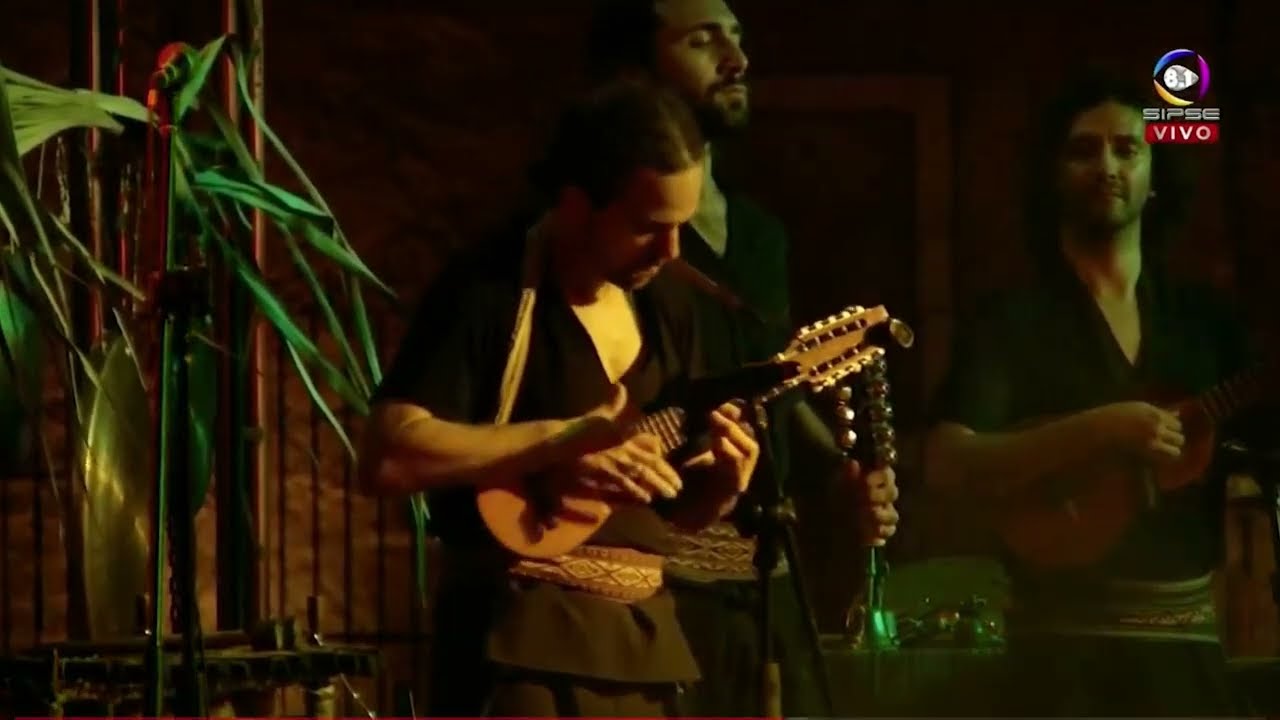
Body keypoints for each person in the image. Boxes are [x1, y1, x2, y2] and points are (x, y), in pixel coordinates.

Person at [360, 78, 762, 718]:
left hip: (647, 647)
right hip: (519, 648)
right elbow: (388, 454)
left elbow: (668, 513)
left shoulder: (672, 305)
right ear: (576, 205)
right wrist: (553, 446)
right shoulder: (489, 289)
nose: (670, 250)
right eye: (646, 227)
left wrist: (719, 489)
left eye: (681, 227)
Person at [585, 1, 900, 716]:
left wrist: (839, 477)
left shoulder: (761, 237)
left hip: (763, 587)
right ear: (637, 71)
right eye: (704, 41)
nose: (738, 59)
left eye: (738, 38)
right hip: (646, 584)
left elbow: (774, 386)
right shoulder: (598, 233)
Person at [925, 70, 1256, 716]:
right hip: (1056, 666)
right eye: (1084, 150)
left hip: (1188, 661)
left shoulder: (1206, 321)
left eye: (1127, 149)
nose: (1107, 165)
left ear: (1155, 173)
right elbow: (946, 459)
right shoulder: (1013, 320)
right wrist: (1103, 428)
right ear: (1052, 174)